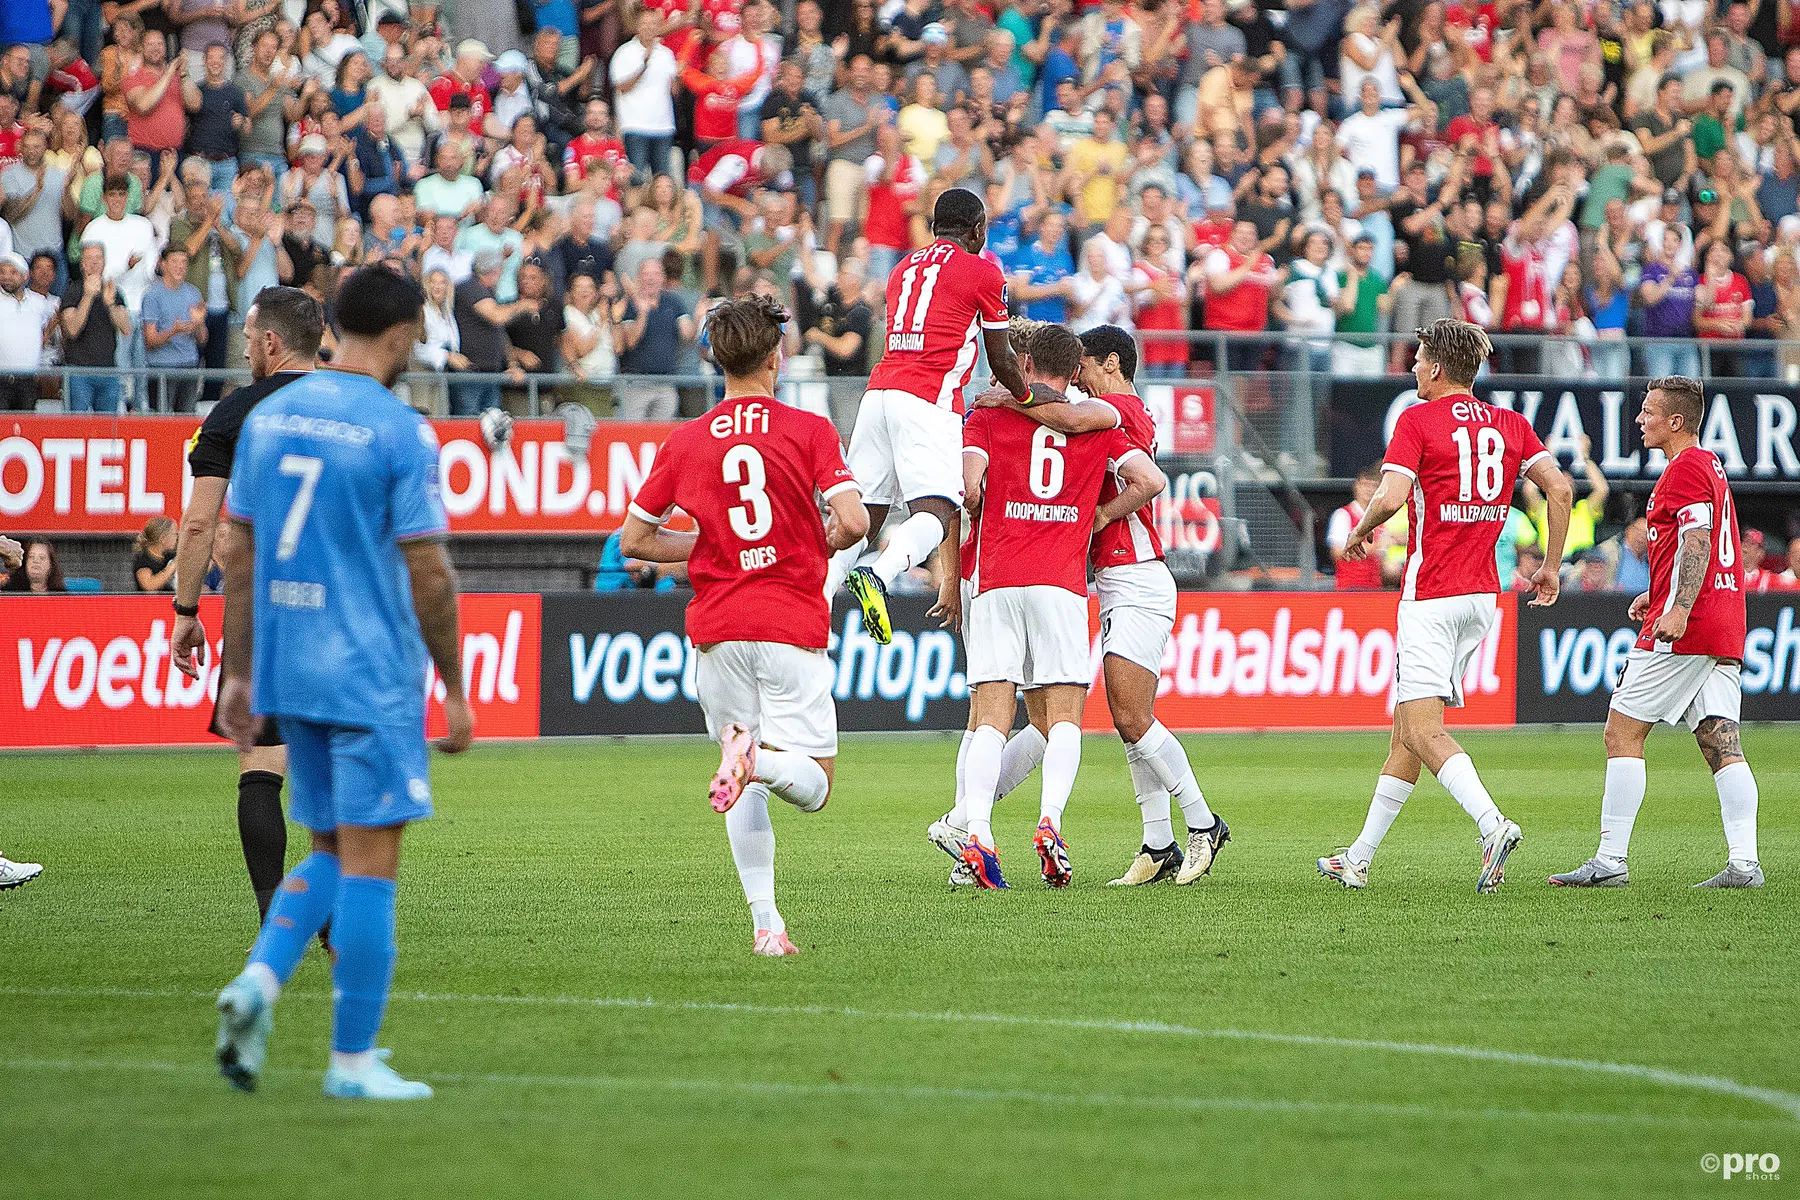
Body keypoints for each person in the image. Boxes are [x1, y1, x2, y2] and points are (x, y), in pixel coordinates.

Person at [211, 265, 470, 1100]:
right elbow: (429, 574)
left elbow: (238, 555)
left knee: (324, 846)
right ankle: (353, 1061)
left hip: (293, 670)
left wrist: (240, 673)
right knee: (372, 862)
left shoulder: (272, 417)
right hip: (370, 673)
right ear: (399, 334)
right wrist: (456, 687)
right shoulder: (399, 431)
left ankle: (257, 982)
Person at [617, 294, 870, 955]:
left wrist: (708, 549)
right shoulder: (808, 429)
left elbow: (635, 542)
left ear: (715, 358)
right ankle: (754, 763)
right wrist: (820, 536)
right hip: (788, 620)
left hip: (718, 630)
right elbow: (857, 520)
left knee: (744, 765)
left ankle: (767, 926)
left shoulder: (687, 440)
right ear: (774, 356)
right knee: (812, 785)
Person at [1320, 319, 1572, 893]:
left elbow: (1390, 495)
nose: (1412, 367)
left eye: (1417, 359)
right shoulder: (1511, 424)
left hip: (1432, 593)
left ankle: (1493, 825)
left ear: (1435, 367)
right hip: (1485, 596)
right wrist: (1551, 564)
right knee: (1407, 730)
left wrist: (1360, 531)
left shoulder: (1417, 419)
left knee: (1424, 728)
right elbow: (1560, 489)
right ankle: (1358, 857)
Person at [950, 324, 1165, 888]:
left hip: (997, 577)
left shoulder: (988, 414)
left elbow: (968, 492)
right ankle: (1050, 822)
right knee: (1064, 715)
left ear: (1023, 365)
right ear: (1075, 371)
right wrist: (1094, 514)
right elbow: (1144, 475)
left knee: (992, 715)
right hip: (1062, 581)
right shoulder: (1100, 417)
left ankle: (976, 831)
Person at [1550, 377, 1763, 890]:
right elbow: (1703, 544)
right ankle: (1745, 863)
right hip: (1724, 617)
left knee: (1621, 731)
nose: (1640, 420)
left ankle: (1609, 861)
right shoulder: (1708, 463)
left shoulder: (1685, 468)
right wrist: (1661, 591)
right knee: (1720, 740)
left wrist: (1680, 605)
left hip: (1689, 624)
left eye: (1648, 412)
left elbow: (1697, 538)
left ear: (1675, 421)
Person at [170, 285, 322, 928]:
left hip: (265, 608)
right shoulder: (357, 403)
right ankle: (341, 914)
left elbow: (199, 526)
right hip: (343, 603)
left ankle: (274, 922)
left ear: (270, 342)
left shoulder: (233, 413)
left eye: (248, 337)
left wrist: (185, 612)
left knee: (261, 766)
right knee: (336, 765)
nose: (245, 348)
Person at [826, 188, 1031, 646]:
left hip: (877, 394)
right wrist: (1026, 395)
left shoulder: (903, 267)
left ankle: (816, 597)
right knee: (938, 510)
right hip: (927, 397)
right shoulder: (983, 270)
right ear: (977, 229)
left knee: (864, 515)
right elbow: (1000, 356)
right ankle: (878, 574)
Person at [59, 241, 133, 412]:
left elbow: (126, 328)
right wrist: (87, 297)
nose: (94, 263)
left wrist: (110, 304)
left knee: (107, 432)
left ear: (104, 262)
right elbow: (72, 330)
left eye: (98, 258)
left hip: (108, 371)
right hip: (78, 371)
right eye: (89, 259)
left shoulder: (113, 291)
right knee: (78, 429)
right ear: (82, 264)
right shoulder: (72, 291)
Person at [141, 246, 206, 412]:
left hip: (189, 366)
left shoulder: (193, 293)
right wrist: (173, 331)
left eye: (184, 262)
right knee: (161, 423)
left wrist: (198, 323)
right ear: (163, 264)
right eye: (175, 262)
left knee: (187, 423)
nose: (180, 266)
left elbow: (203, 339)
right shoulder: (152, 295)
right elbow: (149, 341)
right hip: (161, 368)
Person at [1, 537, 67, 592]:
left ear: (51, 564)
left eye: (42, 557)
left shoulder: (63, 595)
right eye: (31, 557)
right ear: (25, 562)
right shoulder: (9, 591)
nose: (36, 561)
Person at [132, 515, 180, 590]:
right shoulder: (143, 561)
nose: (177, 538)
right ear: (163, 539)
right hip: (150, 601)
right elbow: (149, 587)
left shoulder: (168, 556)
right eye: (174, 534)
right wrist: (172, 567)